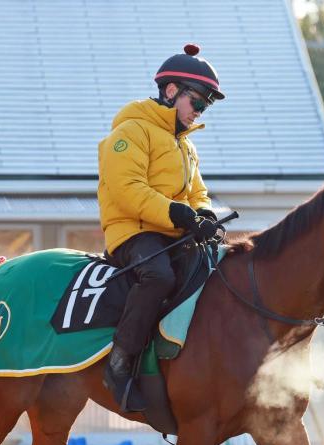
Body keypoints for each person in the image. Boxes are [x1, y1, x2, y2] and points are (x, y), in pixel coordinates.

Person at [97, 44, 224, 412]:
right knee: (158, 276)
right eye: (197, 102)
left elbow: (198, 192)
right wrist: (180, 215)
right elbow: (127, 190)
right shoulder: (131, 131)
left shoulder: (187, 148)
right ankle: (119, 362)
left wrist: (203, 213)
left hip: (169, 231)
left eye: (205, 107)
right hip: (132, 233)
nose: (199, 112)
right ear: (171, 92)